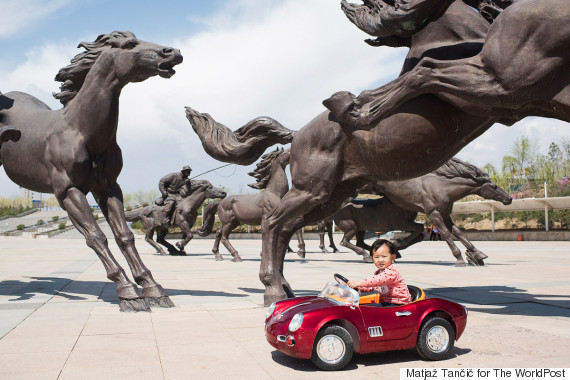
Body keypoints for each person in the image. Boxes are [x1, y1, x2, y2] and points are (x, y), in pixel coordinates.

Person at [347, 239, 411, 306]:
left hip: (399, 303)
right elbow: (374, 286)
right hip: (386, 301)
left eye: (384, 256)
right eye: (376, 257)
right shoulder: (379, 272)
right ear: (372, 259)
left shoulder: (391, 272)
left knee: (368, 310)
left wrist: (359, 283)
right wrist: (358, 287)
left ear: (393, 257)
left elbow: (377, 280)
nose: (380, 260)